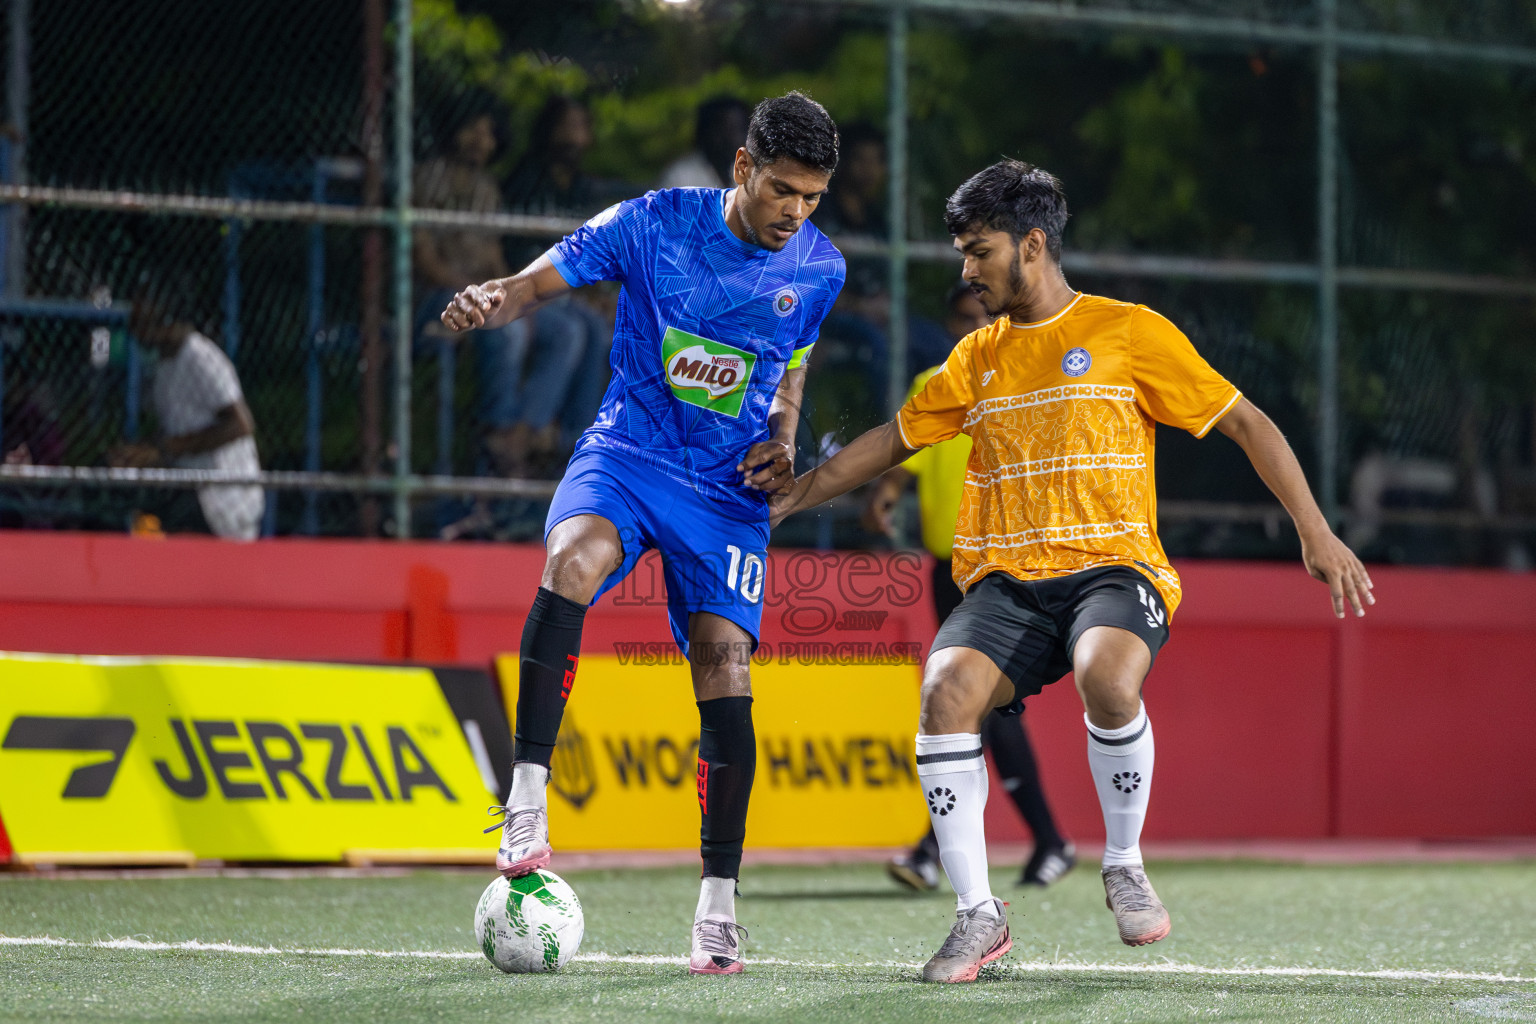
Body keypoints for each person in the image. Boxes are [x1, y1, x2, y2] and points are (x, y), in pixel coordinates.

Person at [772, 160, 1374, 984]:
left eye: (978, 252)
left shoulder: (1130, 331)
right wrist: (786, 502)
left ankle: (1122, 862)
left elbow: (1247, 421)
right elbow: (887, 443)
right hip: (1009, 583)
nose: (967, 270)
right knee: (944, 692)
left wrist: (1316, 531)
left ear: (1032, 244)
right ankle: (977, 915)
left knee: (1107, 676)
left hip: (1113, 569)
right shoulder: (976, 358)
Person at [440, 92, 845, 976]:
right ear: (742, 167)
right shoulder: (654, 222)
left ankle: (717, 904)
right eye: (782, 190)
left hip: (727, 487)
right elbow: (546, 277)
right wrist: (494, 298)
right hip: (630, 449)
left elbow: (791, 372)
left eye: (812, 198)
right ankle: (527, 803)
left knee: (723, 665)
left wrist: (781, 440)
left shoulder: (821, 269)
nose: (794, 213)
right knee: (570, 561)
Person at [867, 281, 1075, 893]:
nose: (967, 327)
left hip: (1010, 573)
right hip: (949, 571)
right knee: (982, 709)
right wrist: (887, 492)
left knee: (975, 704)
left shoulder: (1031, 379)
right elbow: (913, 455)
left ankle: (936, 850)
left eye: (979, 315)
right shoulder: (939, 379)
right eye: (960, 316)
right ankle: (1046, 841)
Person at [414, 106, 579, 476]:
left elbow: (493, 258)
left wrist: (519, 297)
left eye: (488, 133)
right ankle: (498, 426)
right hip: (434, 298)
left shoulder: (486, 187)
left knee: (566, 329)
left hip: (479, 294)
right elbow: (422, 258)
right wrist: (472, 294)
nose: (480, 141)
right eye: (471, 129)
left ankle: (523, 433)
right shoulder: (423, 179)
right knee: (510, 328)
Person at [112, 279, 264, 541]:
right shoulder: (163, 367)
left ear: (165, 319)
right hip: (191, 487)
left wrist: (163, 450)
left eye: (142, 321)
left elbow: (241, 425)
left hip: (223, 495)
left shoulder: (200, 358)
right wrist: (142, 454)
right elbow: (177, 429)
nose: (135, 331)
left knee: (161, 522)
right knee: (119, 496)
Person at [658, 96, 751, 190]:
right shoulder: (680, 177)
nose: (740, 137)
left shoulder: (752, 174)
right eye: (730, 130)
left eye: (743, 129)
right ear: (708, 133)